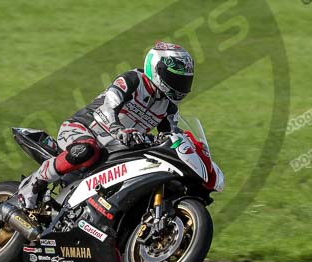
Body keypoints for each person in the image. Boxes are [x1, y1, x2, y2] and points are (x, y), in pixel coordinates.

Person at [18, 41, 194, 209]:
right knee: (87, 150)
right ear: (157, 69)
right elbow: (110, 105)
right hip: (82, 129)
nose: (179, 85)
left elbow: (172, 137)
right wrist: (118, 129)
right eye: (175, 78)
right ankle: (34, 183)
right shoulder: (133, 80)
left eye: (183, 81)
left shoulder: (169, 107)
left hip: (114, 149)